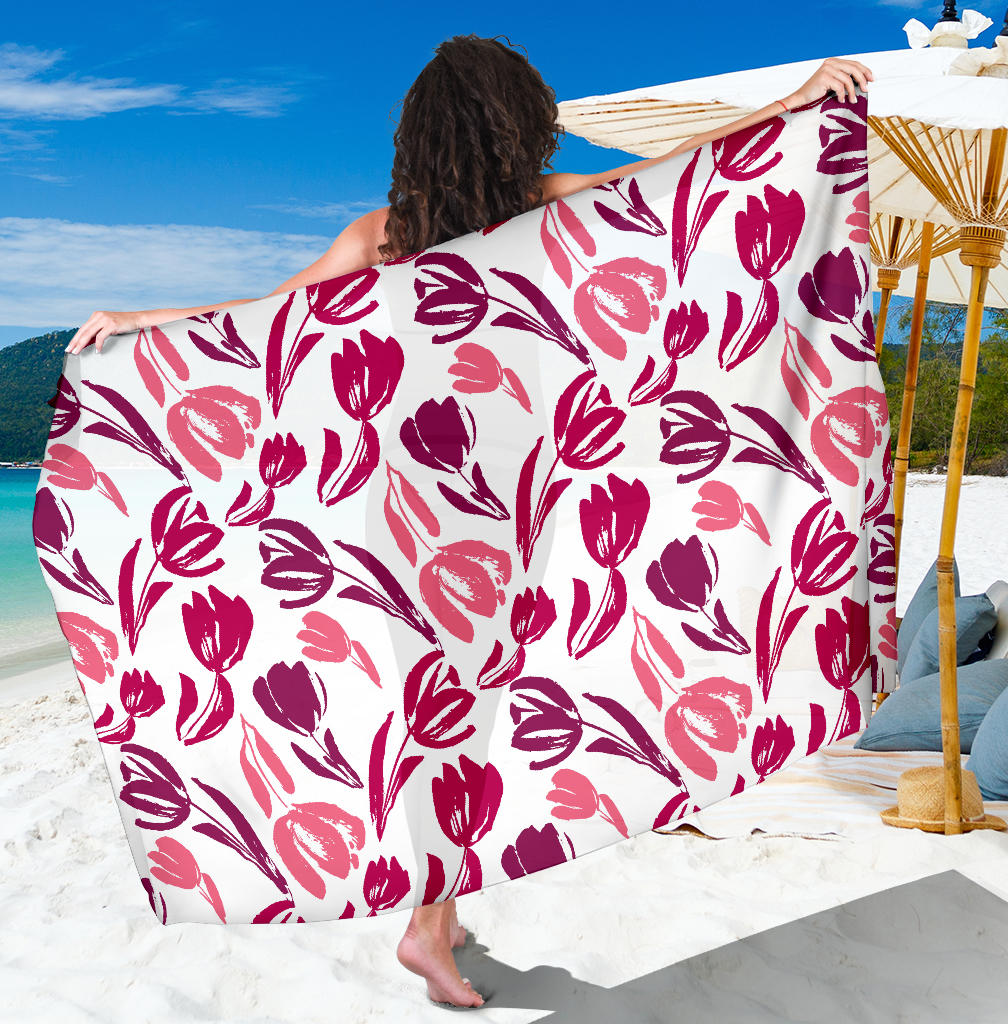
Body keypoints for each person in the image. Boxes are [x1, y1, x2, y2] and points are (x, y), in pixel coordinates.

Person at [63, 35, 873, 1009]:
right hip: (511, 495)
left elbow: (261, 318)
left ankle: (436, 915)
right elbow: (681, 173)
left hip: (408, 503)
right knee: (466, 717)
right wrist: (793, 102)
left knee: (447, 714)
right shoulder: (541, 211)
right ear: (516, 124)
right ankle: (427, 924)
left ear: (420, 135)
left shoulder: (385, 237)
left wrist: (145, 320)